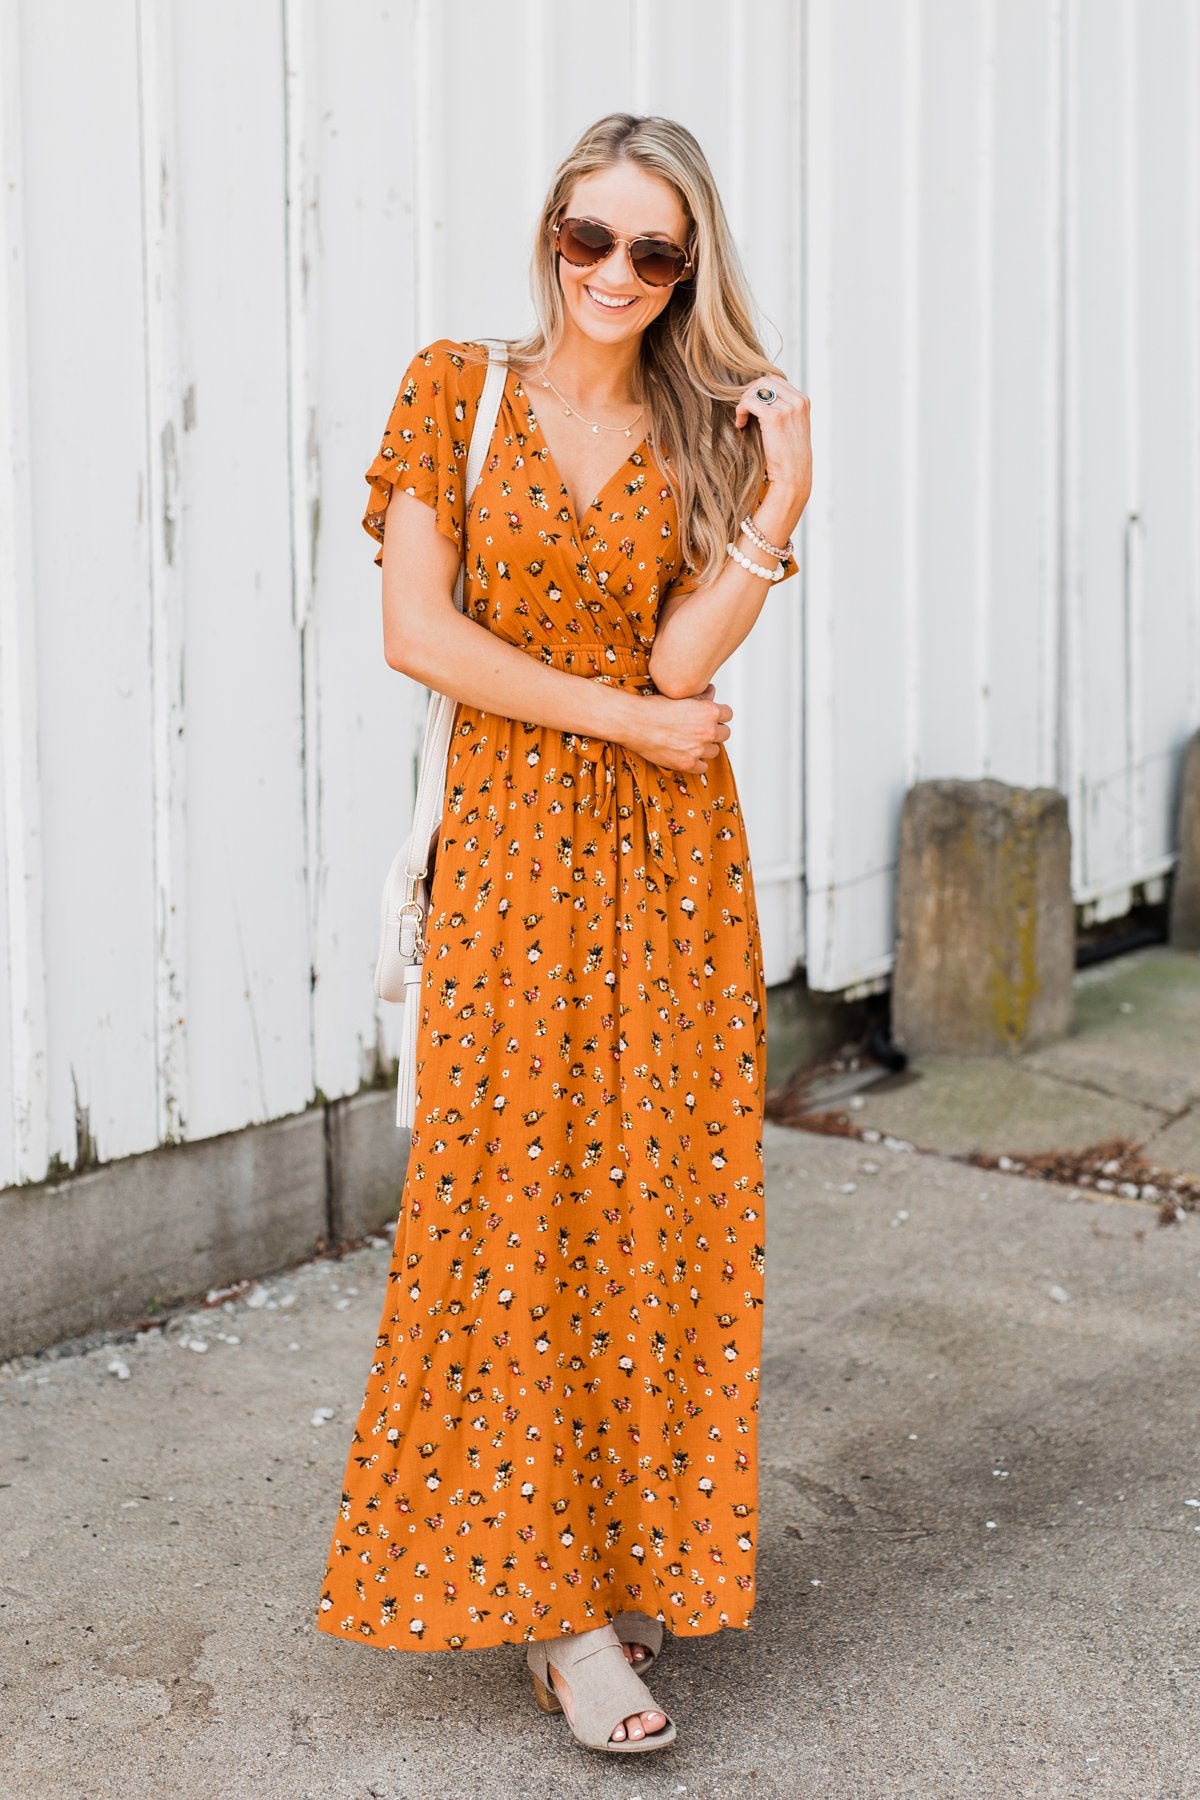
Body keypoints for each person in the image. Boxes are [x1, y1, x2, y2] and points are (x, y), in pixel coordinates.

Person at [316, 110, 812, 1757]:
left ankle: (624, 1549)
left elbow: (688, 668)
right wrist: (614, 721)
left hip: (672, 868)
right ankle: (562, 1616)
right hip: (521, 858)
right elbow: (416, 633)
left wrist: (779, 498)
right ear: (550, 235)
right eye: (589, 237)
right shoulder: (455, 391)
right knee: (511, 1215)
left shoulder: (701, 432)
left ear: (690, 271)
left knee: (657, 1214)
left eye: (653, 251)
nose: (614, 273)